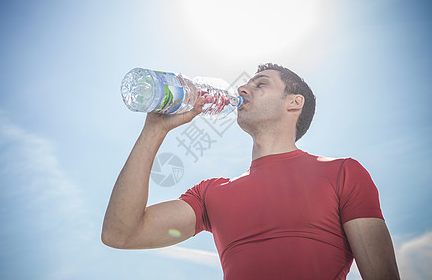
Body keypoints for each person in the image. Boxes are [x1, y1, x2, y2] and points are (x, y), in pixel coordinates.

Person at [102, 63, 400, 279]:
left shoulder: (344, 173)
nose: (243, 88)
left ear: (294, 103)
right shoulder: (210, 194)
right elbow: (121, 233)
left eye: (261, 84)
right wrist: (154, 130)